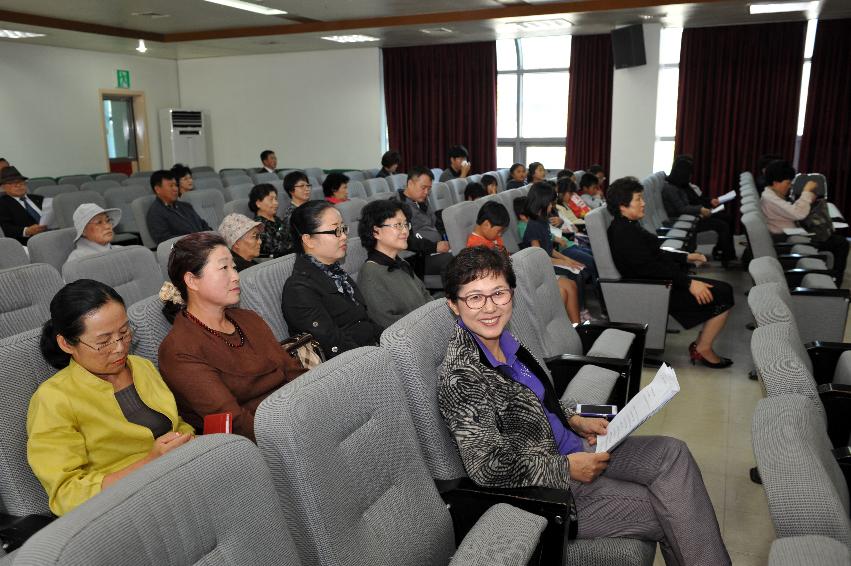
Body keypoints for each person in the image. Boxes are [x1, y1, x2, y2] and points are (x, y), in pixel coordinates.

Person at [437, 247, 730, 566]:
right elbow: (488, 467)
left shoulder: (506, 340)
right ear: (454, 304)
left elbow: (541, 399)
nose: (490, 307)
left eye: (499, 293)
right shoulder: (462, 377)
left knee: (674, 452)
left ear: (512, 294)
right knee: (671, 506)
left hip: (574, 444)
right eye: (475, 298)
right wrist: (566, 468)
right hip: (549, 488)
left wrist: (573, 419)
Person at [28, 280, 194, 516]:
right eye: (103, 341)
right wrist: (148, 463)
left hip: (178, 475)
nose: (119, 348)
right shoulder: (53, 399)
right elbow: (67, 494)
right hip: (122, 506)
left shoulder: (141, 367)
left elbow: (177, 424)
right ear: (66, 343)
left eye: (125, 332)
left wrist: (191, 441)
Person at [158, 232, 297, 441]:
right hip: (260, 442)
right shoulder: (179, 350)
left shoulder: (248, 319)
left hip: (295, 416)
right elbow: (233, 422)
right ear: (192, 281)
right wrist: (295, 433)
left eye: (234, 267)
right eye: (224, 268)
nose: (235, 276)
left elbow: (293, 372)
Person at [608, 177, 734, 367]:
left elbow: (655, 254)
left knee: (723, 290)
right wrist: (689, 283)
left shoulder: (628, 225)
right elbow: (651, 268)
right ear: (623, 206)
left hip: (662, 282)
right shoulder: (624, 233)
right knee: (723, 293)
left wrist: (686, 257)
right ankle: (703, 348)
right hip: (655, 289)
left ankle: (701, 344)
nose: (644, 203)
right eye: (638, 199)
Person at [283, 201, 383, 358]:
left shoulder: (336, 273)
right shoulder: (299, 289)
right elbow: (333, 344)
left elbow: (364, 321)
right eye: (336, 230)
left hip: (370, 351)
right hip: (350, 367)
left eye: (343, 229)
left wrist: (391, 342)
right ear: (308, 240)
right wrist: (381, 357)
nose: (344, 236)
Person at [760, 160, 848, 281]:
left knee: (834, 238)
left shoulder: (771, 194)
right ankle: (835, 281)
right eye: (787, 183)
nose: (790, 186)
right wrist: (806, 191)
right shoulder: (770, 198)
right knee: (840, 243)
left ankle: (832, 276)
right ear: (775, 182)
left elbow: (791, 211)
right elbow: (799, 214)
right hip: (787, 239)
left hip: (791, 234)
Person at [356, 199, 433, 328]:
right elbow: (390, 327)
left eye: (406, 224)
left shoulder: (400, 262)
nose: (405, 231)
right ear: (376, 232)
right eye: (397, 225)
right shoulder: (370, 275)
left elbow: (426, 297)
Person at [520, 182, 585, 323]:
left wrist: (568, 260)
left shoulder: (542, 222)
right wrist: (564, 262)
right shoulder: (533, 226)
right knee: (573, 275)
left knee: (578, 271)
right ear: (540, 204)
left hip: (547, 261)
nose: (551, 207)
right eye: (549, 204)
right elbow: (539, 258)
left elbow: (550, 250)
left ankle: (578, 317)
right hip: (538, 268)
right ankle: (577, 316)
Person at [662, 155, 736, 266]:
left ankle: (725, 254)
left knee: (725, 220)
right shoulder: (670, 188)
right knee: (722, 225)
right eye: (689, 174)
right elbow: (681, 208)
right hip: (681, 220)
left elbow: (693, 201)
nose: (690, 177)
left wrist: (702, 208)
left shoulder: (680, 184)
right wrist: (700, 209)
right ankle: (726, 258)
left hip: (692, 216)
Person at [394, 166, 453, 283]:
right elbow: (406, 240)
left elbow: (434, 223)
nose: (426, 192)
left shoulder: (421, 200)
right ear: (410, 183)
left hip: (435, 251)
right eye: (423, 188)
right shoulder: (397, 207)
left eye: (429, 189)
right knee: (458, 272)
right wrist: (434, 247)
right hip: (418, 257)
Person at [146, 170, 211, 245]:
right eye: (171, 186)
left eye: (176, 185)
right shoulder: (155, 214)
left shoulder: (186, 206)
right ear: (157, 189)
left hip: (204, 243)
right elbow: (165, 242)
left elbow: (203, 224)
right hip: (187, 251)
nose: (175, 189)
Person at [0, 166, 47, 244]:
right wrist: (26, 231)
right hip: (28, 242)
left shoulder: (39, 198)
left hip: (51, 234)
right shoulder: (2, 204)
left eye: (21, 182)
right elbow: (5, 228)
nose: (18, 185)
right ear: (3, 187)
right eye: (12, 183)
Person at [250, 183, 290, 258]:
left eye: (276, 199)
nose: (276, 203)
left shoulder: (277, 219)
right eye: (271, 199)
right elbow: (275, 249)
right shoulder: (258, 226)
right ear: (258, 203)